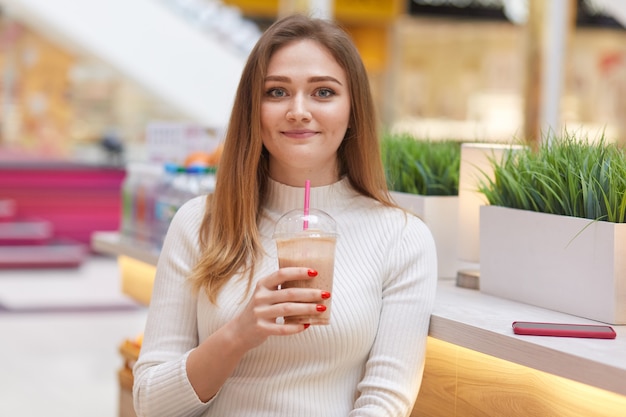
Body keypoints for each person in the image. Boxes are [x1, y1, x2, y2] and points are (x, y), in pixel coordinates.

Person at [133, 13, 437, 417]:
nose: (298, 110)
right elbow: (151, 405)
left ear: (353, 110)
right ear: (252, 109)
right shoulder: (198, 223)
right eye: (276, 92)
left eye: (323, 92)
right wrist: (238, 334)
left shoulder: (402, 237)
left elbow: (383, 404)